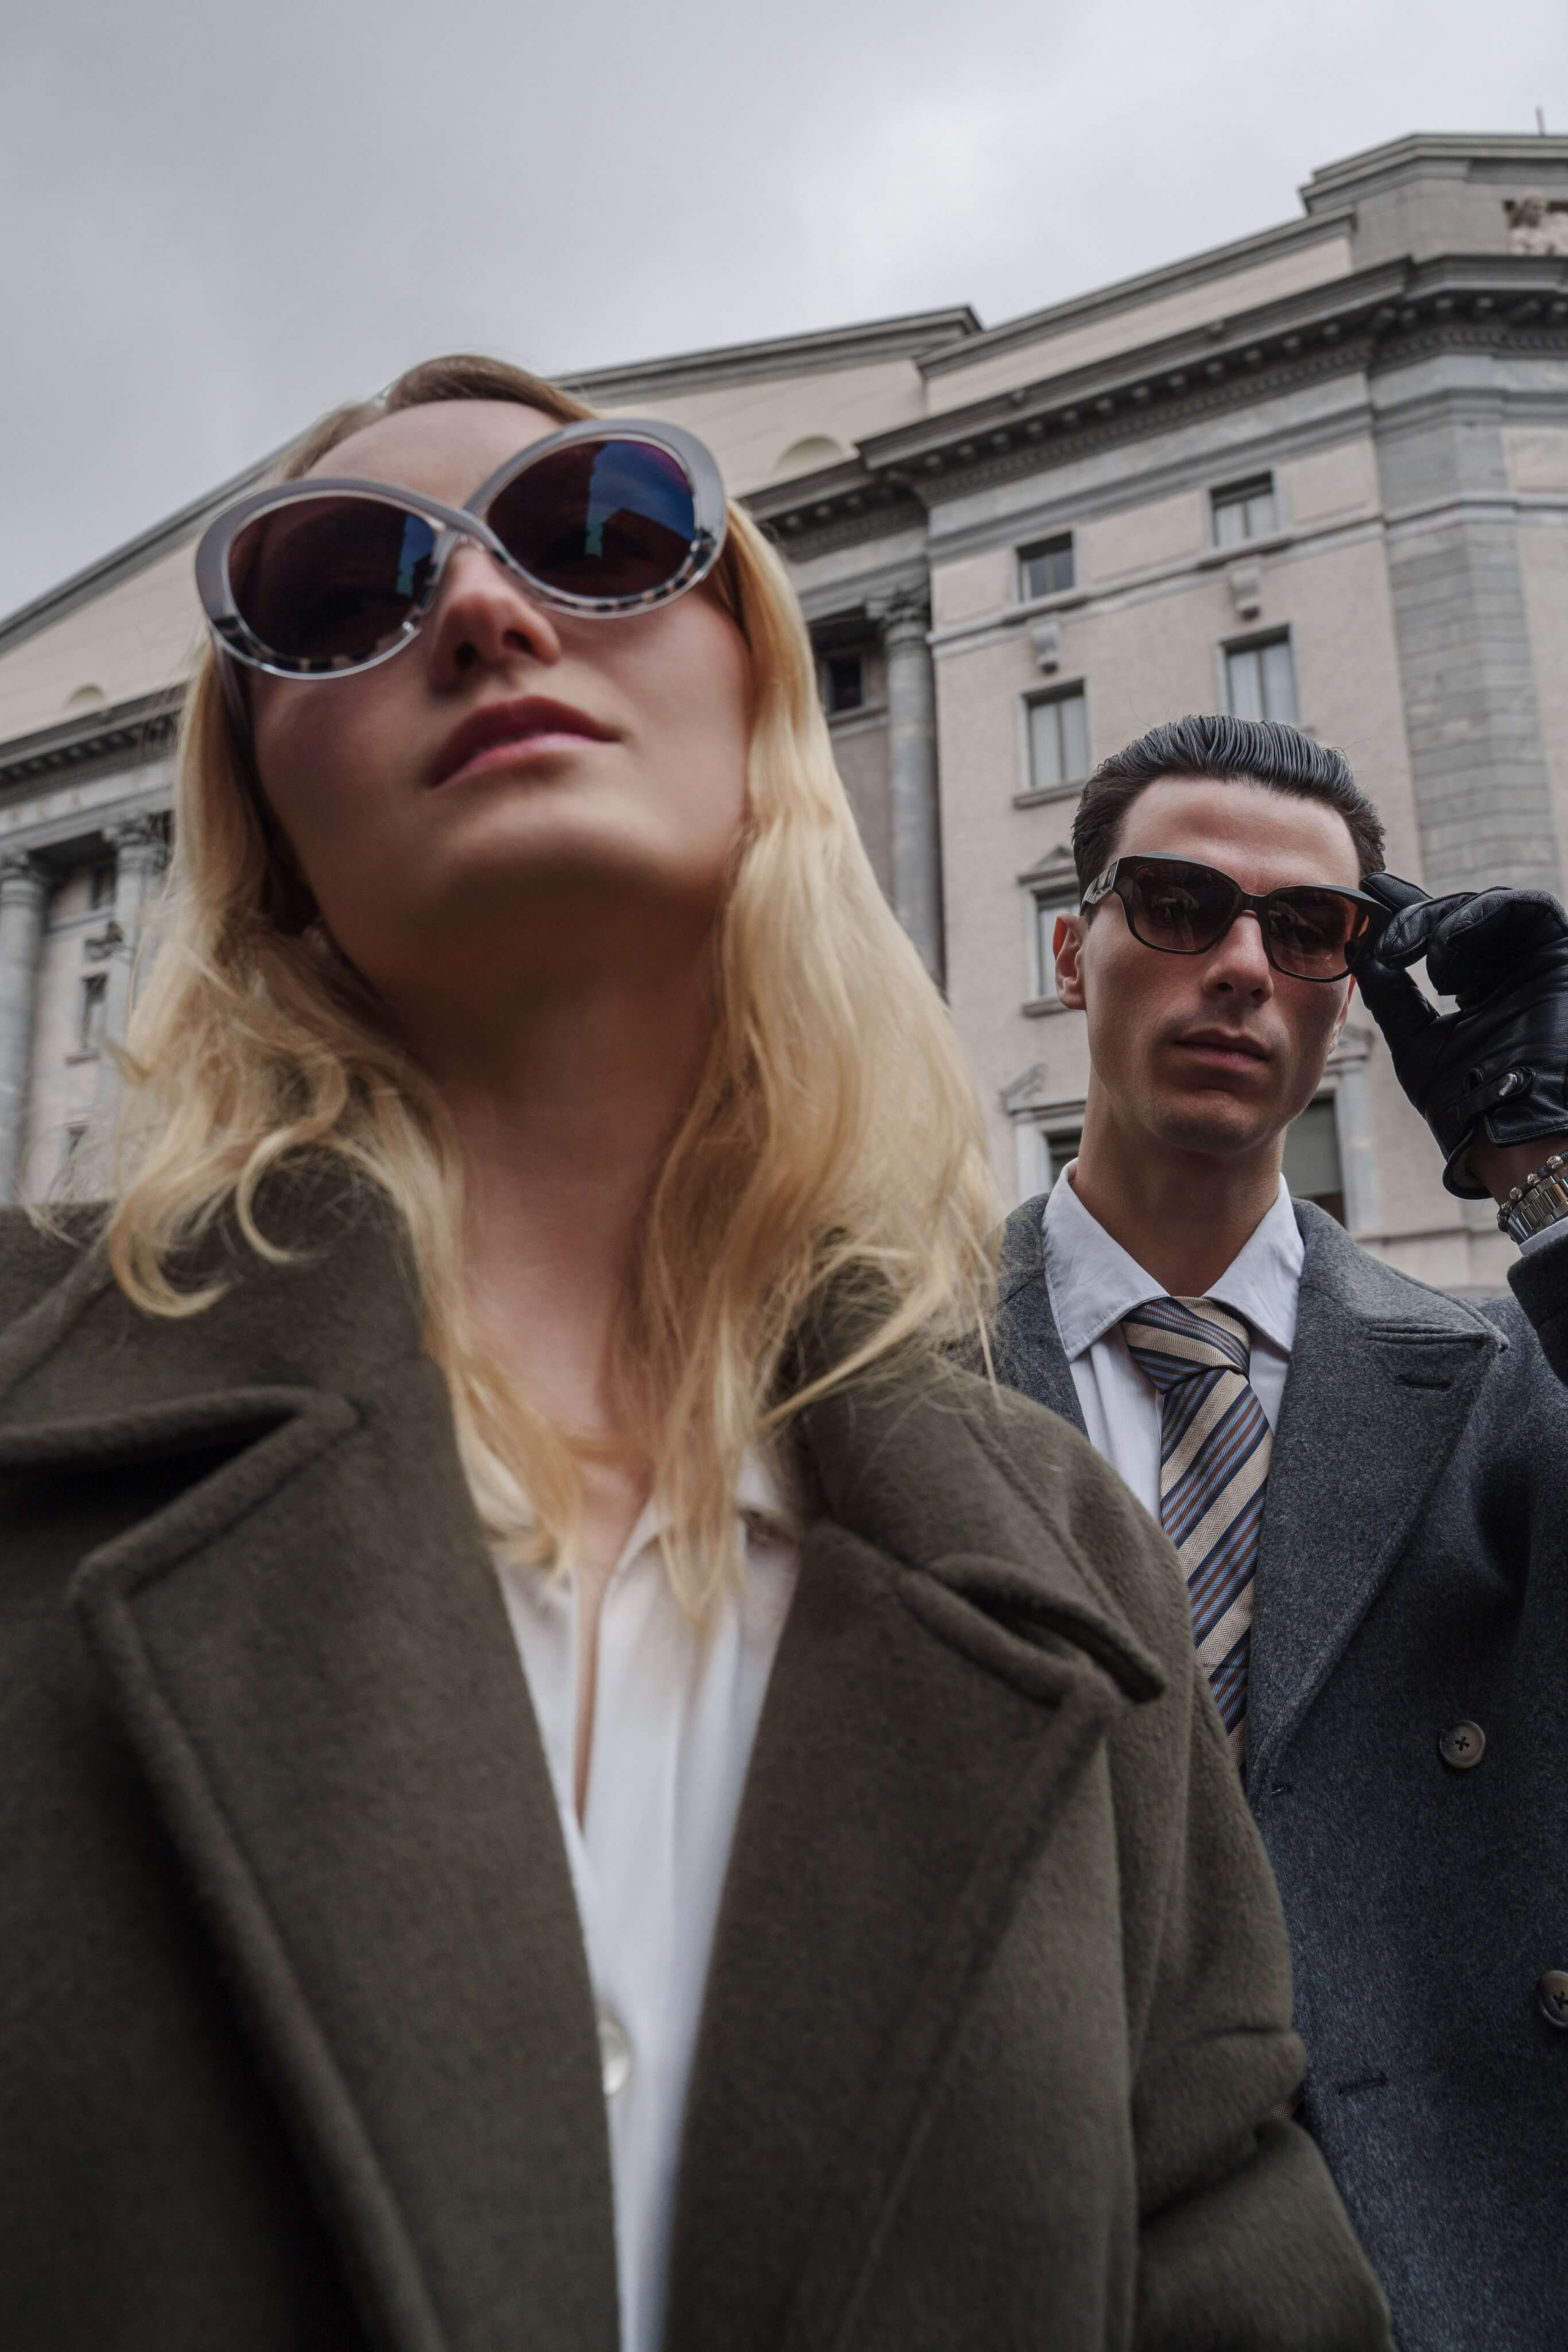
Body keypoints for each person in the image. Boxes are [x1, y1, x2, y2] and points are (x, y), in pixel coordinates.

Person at [0, 364, 1385, 2351]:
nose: (484, 612)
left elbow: (1225, 2250)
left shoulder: (1072, 1555)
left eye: (599, 531)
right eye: (334, 590)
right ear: (262, 808)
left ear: (763, 704)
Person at [990, 711, 1568, 2352]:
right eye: (1179, 907)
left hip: (1450, 2256)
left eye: (1309, 929)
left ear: (1352, 993)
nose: (1242, 966)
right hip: (1030, 2246)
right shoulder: (878, 1366)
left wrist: (1547, 1171)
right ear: (1071, 942)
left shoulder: (1504, 1374)